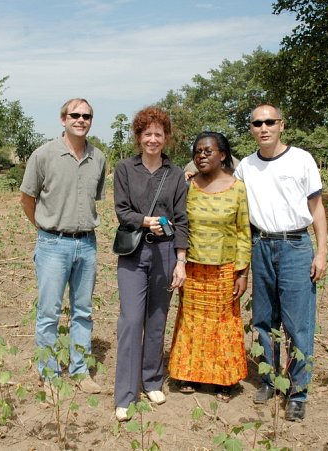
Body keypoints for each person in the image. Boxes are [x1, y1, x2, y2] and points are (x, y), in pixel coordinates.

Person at [234, 104, 327, 422]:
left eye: (269, 122)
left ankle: (298, 392)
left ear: (281, 125)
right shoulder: (245, 166)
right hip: (261, 245)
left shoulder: (301, 159)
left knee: (298, 325)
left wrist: (322, 252)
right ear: (251, 128)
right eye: (257, 123)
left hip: (295, 246)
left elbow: (316, 208)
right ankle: (270, 380)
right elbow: (227, 193)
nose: (264, 127)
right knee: (263, 320)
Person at [20, 98, 106, 395]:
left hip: (86, 244)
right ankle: (49, 376)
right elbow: (27, 199)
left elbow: (95, 197)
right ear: (63, 119)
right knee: (49, 313)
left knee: (82, 311)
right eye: (75, 115)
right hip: (53, 244)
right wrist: (44, 228)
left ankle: (81, 371)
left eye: (87, 116)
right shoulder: (43, 155)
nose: (81, 120)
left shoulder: (99, 157)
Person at [113, 106, 189, 421]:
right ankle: (126, 394)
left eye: (159, 134)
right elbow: (121, 210)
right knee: (131, 321)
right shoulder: (124, 169)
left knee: (157, 319)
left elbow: (182, 219)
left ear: (166, 138)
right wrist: (146, 222)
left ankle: (152, 379)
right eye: (147, 133)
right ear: (139, 136)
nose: (153, 139)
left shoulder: (175, 175)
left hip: (166, 252)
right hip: (133, 254)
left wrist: (181, 261)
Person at [168, 131, 251, 401]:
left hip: (225, 269)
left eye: (208, 151)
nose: (201, 156)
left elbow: (243, 231)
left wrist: (242, 272)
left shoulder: (237, 188)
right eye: (197, 152)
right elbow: (179, 222)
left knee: (223, 322)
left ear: (223, 155)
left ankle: (224, 380)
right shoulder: (188, 185)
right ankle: (188, 373)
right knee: (191, 321)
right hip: (192, 267)